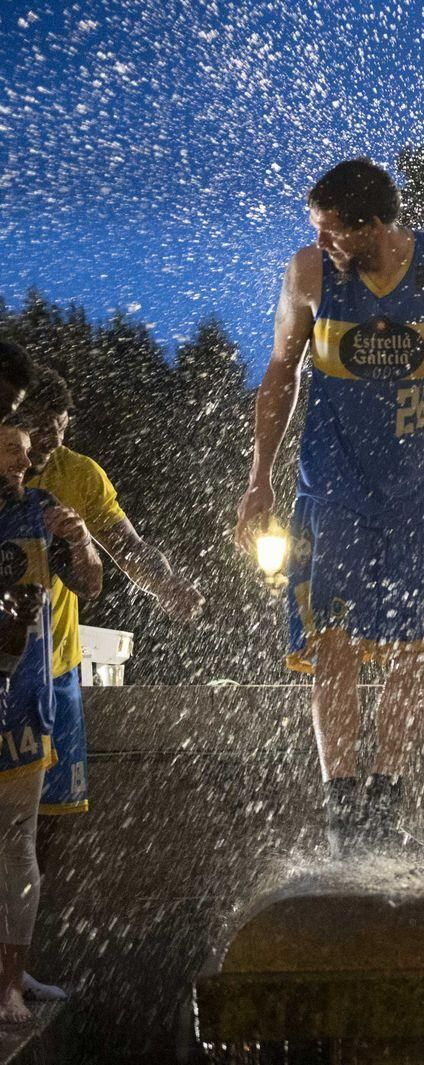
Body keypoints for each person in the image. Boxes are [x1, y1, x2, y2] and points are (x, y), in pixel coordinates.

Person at [233, 158, 424, 857]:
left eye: (332, 232)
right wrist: (260, 477)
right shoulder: (310, 274)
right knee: (333, 639)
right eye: (316, 231)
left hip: (419, 488)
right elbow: (280, 373)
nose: (322, 243)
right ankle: (342, 799)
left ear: (374, 225)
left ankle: (387, 791)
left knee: (422, 644)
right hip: (334, 485)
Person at [8, 369, 201, 1003]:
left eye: (60, 431)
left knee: (46, 827)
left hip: (55, 668)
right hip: (9, 669)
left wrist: (167, 586)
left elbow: (127, 549)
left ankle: (16, 964)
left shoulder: (79, 476)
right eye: (40, 430)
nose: (49, 443)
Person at [0, 424, 101, 1024]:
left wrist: (82, 539)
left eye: (25, 451)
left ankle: (10, 984)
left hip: (23, 701)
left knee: (17, 841)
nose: (24, 460)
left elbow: (89, 584)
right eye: (10, 449)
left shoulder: (41, 509)